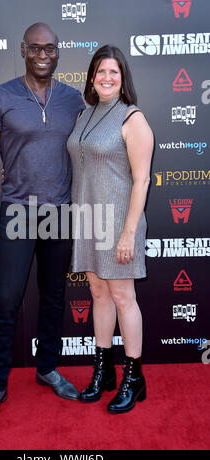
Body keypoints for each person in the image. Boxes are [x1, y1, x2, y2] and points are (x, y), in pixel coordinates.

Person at [0, 23, 85, 425]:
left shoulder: (74, 99)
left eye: (50, 49)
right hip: (17, 211)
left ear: (58, 53)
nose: (43, 55)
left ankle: (48, 368)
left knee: (54, 296)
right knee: (6, 299)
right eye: (35, 48)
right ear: (23, 50)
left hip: (59, 212)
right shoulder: (0, 96)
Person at [67, 45, 154, 413]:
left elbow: (143, 179)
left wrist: (129, 232)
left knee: (123, 298)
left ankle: (133, 378)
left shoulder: (132, 118)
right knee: (99, 295)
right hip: (88, 221)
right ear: (91, 77)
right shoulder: (83, 116)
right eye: (100, 71)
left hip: (119, 222)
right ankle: (103, 372)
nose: (106, 77)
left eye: (113, 72)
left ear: (123, 78)